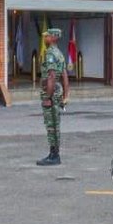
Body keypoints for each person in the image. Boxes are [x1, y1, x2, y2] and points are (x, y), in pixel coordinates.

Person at [37, 27, 69, 165]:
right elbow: (65, 75)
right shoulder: (60, 53)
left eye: (47, 36)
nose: (45, 38)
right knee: (56, 124)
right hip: (58, 92)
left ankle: (54, 155)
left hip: (51, 93)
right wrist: (66, 96)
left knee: (51, 125)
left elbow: (51, 76)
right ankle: (54, 153)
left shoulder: (50, 53)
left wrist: (47, 98)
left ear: (54, 38)